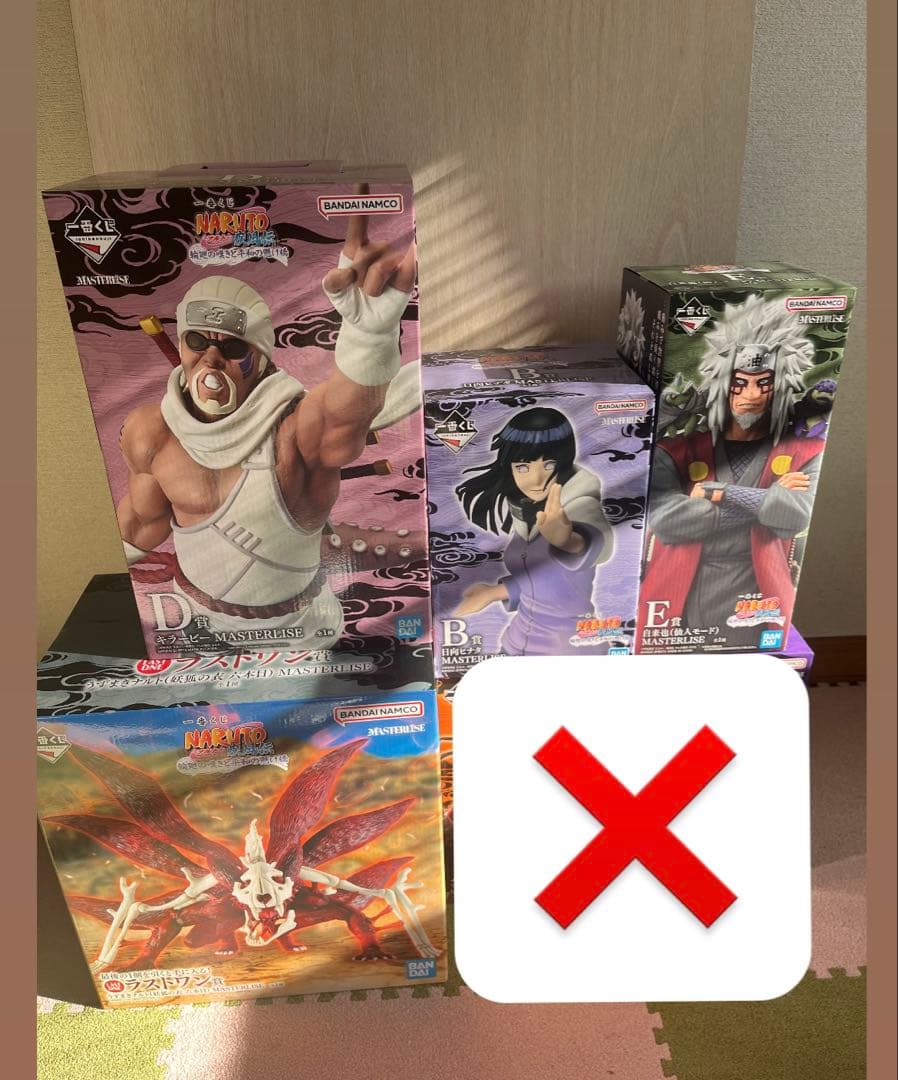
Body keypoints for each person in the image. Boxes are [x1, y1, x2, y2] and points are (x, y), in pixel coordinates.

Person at [117, 206, 416, 649]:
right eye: (197, 341)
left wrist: (368, 339)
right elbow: (141, 527)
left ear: (260, 359)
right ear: (180, 345)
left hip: (300, 633)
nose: (211, 360)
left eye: (233, 348)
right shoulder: (151, 431)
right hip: (194, 626)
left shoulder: (292, 432)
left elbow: (341, 415)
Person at [639, 293, 823, 644]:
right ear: (722, 384)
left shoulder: (805, 452)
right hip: (677, 595)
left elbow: (797, 516)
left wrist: (719, 492)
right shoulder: (675, 450)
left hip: (758, 596)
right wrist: (766, 501)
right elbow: (666, 521)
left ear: (781, 386)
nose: (750, 394)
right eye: (739, 383)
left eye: (763, 383)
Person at [453, 407, 613, 654]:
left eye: (548, 465)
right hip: (517, 642)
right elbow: (543, 582)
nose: (536, 480)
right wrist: (493, 593)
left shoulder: (579, 504)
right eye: (523, 467)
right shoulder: (527, 512)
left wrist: (568, 540)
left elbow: (597, 542)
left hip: (567, 650)